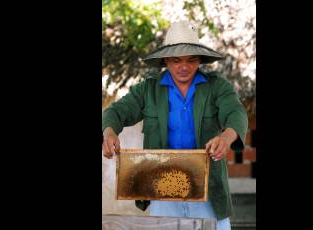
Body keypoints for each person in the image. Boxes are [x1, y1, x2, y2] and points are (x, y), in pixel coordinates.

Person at [102, 20, 248, 230]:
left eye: (191, 60)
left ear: (200, 60)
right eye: (176, 60)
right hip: (161, 190)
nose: (184, 66)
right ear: (165, 61)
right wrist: (108, 132)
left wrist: (226, 137)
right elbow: (115, 112)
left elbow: (236, 112)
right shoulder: (147, 90)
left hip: (208, 190)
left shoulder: (218, 87)